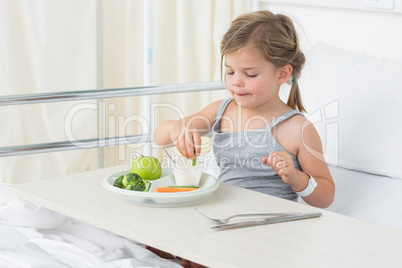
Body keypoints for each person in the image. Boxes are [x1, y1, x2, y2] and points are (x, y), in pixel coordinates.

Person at [152, 9, 335, 266]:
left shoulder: (297, 128)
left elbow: (326, 195)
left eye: (249, 74)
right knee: (153, 235)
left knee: (205, 255)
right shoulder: (221, 110)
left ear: (282, 74)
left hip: (268, 223)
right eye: (230, 72)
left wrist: (298, 179)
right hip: (223, 215)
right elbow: (161, 136)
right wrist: (176, 129)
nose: (236, 82)